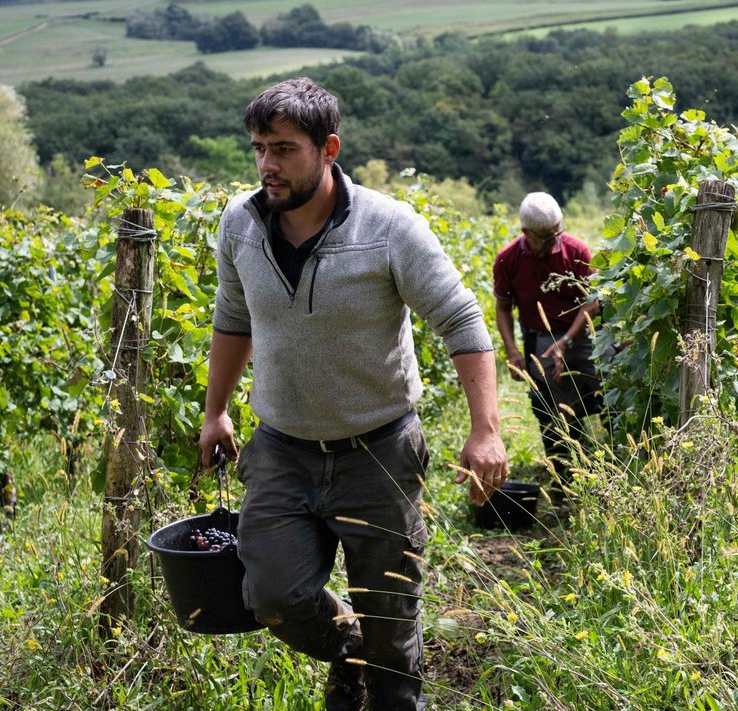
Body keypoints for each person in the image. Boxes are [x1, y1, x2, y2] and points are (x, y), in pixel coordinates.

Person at [198, 77, 508, 711]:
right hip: (282, 448)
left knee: (393, 616)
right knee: (274, 598)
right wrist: (216, 411)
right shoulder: (240, 221)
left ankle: (388, 685)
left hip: (378, 452)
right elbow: (233, 318)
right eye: (259, 147)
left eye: (284, 149)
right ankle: (350, 651)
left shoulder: (389, 228)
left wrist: (487, 430)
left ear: (328, 149)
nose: (266, 165)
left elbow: (463, 321)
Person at [493, 192, 604, 500]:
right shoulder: (508, 259)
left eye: (558, 231)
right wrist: (512, 351)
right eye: (546, 237)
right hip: (538, 337)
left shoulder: (576, 251)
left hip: (580, 332)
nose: (555, 240)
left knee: (597, 394)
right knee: (549, 408)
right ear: (526, 233)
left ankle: (605, 465)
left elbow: (592, 304)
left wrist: (566, 341)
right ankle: (564, 479)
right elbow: (503, 307)